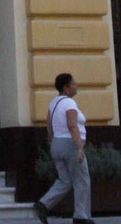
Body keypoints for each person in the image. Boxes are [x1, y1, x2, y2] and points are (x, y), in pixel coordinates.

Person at [33, 72, 94, 224]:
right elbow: (72, 125)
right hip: (70, 145)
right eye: (73, 84)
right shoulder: (69, 103)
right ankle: (81, 216)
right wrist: (80, 147)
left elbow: (48, 123)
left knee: (65, 180)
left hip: (57, 144)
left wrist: (52, 140)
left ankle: (43, 204)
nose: (76, 86)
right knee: (82, 180)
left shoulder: (53, 103)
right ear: (66, 88)